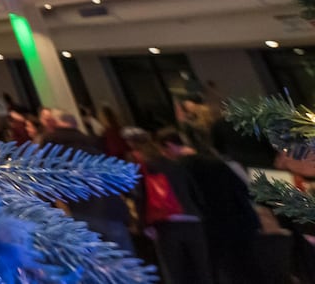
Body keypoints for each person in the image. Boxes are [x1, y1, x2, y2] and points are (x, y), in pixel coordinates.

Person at [156, 127, 261, 284]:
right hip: (241, 221)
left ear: (169, 145)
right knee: (249, 268)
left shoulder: (178, 169)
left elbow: (187, 200)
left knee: (224, 271)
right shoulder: (215, 161)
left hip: (211, 227)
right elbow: (243, 189)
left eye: (163, 151)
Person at [38, 109, 133, 252]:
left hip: (78, 215)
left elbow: (45, 187)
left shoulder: (50, 151)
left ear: (53, 124)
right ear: (75, 124)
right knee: (125, 264)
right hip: (111, 212)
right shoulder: (94, 144)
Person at [130, 131, 210, 284]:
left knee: (175, 272)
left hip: (167, 224)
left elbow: (141, 198)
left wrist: (144, 225)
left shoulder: (146, 170)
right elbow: (196, 194)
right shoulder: (178, 166)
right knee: (202, 270)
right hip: (193, 220)